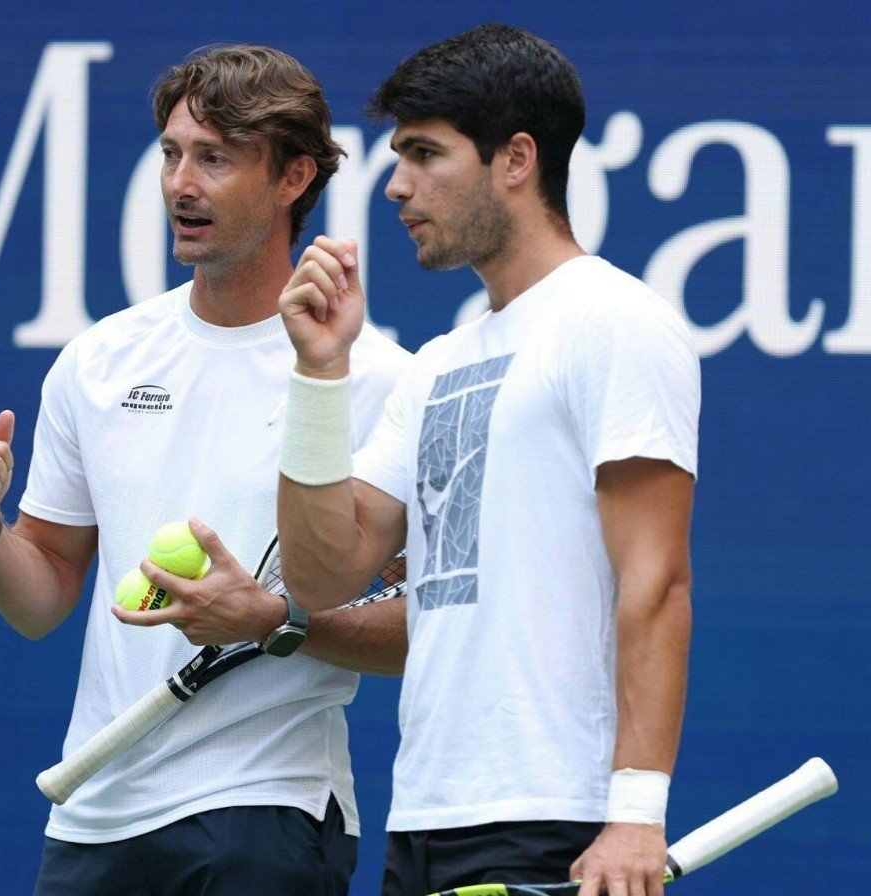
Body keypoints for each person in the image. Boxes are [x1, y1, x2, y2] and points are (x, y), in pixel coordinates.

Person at [0, 44, 410, 896]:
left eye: (215, 158)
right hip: (95, 814)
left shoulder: (377, 380)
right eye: (171, 153)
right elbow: (43, 594)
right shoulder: (100, 360)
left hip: (267, 810)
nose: (180, 184)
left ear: (292, 177)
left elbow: (432, 626)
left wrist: (274, 619)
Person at [274, 24, 700, 896]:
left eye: (426, 154)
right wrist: (321, 376)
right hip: (426, 817)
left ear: (515, 159)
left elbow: (657, 581)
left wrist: (635, 814)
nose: (396, 185)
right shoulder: (437, 364)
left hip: (561, 820)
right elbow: (322, 572)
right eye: (398, 156)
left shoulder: (614, 320)